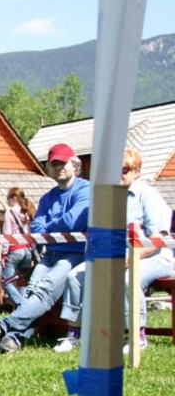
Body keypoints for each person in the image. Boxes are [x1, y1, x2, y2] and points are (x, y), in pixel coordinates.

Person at [0, 143, 90, 353]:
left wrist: (49, 227)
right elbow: (36, 228)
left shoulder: (85, 190)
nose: (59, 167)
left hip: (76, 254)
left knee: (44, 290)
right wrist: (53, 227)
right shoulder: (47, 198)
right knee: (32, 292)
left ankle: (0, 327)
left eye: (63, 163)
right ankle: (13, 340)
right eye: (54, 164)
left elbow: (72, 222)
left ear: (75, 165)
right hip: (50, 254)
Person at [53, 148, 174, 353]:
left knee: (127, 279)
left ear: (136, 171)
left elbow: (158, 239)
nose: (118, 174)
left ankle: (137, 338)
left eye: (124, 170)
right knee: (75, 276)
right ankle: (75, 334)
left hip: (154, 256)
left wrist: (131, 257)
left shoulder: (148, 196)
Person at [1, 187, 37, 308]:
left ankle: (21, 304)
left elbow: (7, 235)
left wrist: (4, 254)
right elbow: (32, 234)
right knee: (22, 282)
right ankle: (25, 307)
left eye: (8, 198)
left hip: (15, 249)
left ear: (14, 198)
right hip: (28, 250)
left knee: (5, 281)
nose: (7, 201)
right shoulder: (27, 212)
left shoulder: (9, 212)